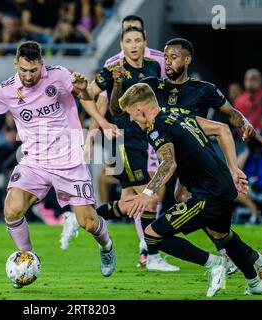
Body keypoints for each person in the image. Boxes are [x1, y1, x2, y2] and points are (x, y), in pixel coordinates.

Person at [0, 41, 120, 287]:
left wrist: (89, 101)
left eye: (33, 70)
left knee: (88, 222)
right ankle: (27, 258)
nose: (28, 76)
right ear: (16, 65)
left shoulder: (59, 75)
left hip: (69, 160)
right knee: (11, 209)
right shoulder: (7, 90)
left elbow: (86, 96)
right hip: (34, 161)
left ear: (41, 63)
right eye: (23, 70)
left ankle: (106, 246)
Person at [119, 82, 262, 296]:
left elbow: (168, 163)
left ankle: (215, 264)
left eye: (130, 115)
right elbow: (221, 129)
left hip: (207, 194)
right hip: (222, 187)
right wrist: (233, 170)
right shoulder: (178, 116)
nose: (132, 120)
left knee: (152, 235)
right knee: (222, 235)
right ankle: (254, 280)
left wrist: (147, 193)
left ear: (139, 109)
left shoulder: (156, 128)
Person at [81, 15, 170, 270]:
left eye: (137, 40)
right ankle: (150, 254)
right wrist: (100, 125)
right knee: (150, 197)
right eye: (128, 40)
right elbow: (88, 96)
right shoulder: (113, 68)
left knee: (132, 199)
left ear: (144, 41)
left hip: (145, 138)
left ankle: (87, 216)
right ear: (121, 42)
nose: (133, 45)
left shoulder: (154, 66)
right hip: (122, 141)